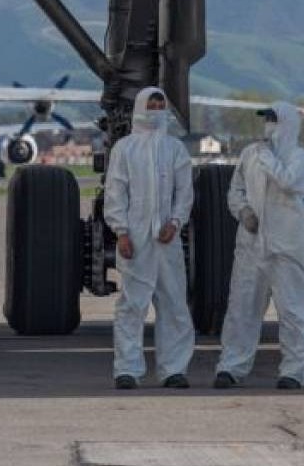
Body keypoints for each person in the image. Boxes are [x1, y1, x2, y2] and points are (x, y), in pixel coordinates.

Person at [215, 101, 304, 390]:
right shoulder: (251, 154)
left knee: (293, 311)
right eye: (267, 119)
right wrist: (243, 212)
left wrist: (267, 157)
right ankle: (231, 367)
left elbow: (287, 182)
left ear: (288, 123)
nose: (268, 125)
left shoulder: (299, 158)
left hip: (287, 247)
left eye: (273, 119)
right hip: (251, 246)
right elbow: (236, 189)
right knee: (242, 309)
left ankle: (294, 371)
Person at [104, 87, 195, 390]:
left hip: (167, 240)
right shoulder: (124, 149)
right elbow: (116, 192)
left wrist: (176, 222)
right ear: (140, 107)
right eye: (151, 103)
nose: (156, 108)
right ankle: (127, 370)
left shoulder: (175, 149)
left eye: (160, 104)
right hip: (136, 238)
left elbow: (185, 191)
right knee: (132, 305)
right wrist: (121, 231)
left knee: (174, 305)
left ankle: (174, 370)